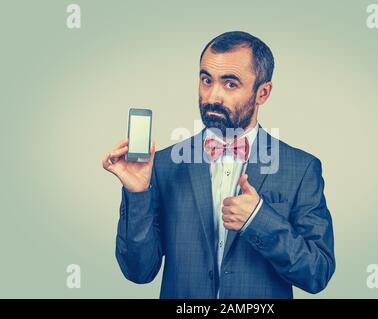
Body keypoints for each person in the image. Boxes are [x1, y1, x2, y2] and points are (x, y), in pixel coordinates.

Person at [102, 31, 335, 298]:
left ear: (263, 92)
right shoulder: (163, 165)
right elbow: (138, 272)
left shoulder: (302, 169)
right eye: (206, 80)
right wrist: (138, 193)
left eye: (230, 84)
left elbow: (318, 273)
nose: (213, 96)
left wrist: (259, 219)